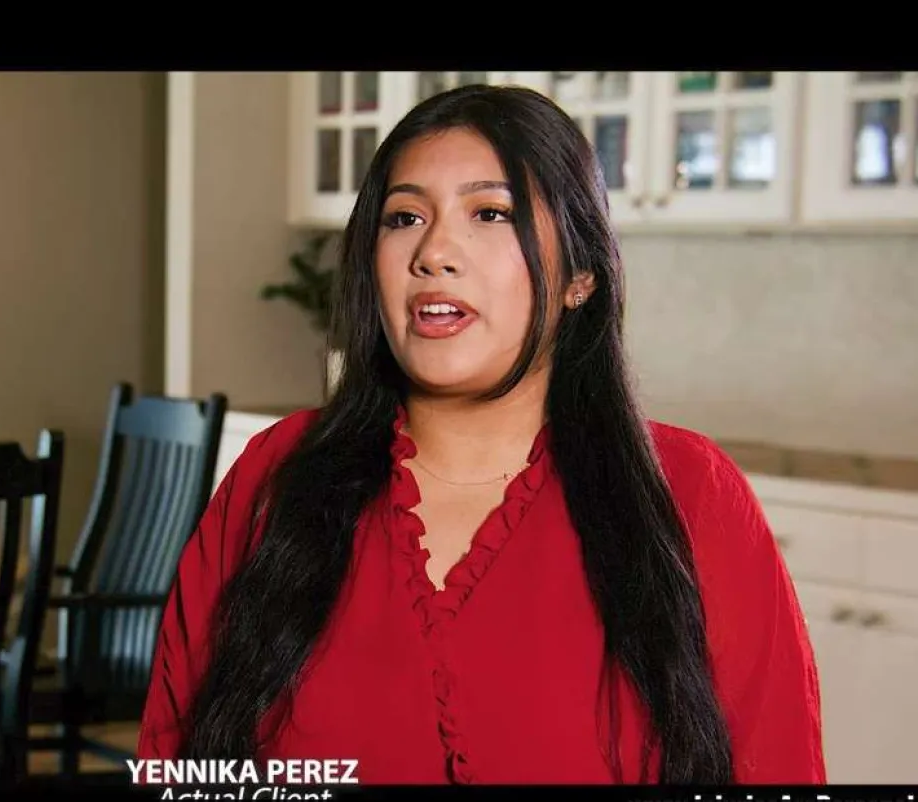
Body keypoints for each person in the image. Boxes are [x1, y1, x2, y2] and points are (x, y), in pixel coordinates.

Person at [134, 84, 824, 785]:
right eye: (403, 217)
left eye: (491, 213)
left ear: (580, 276)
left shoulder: (690, 491)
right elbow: (175, 757)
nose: (434, 252)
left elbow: (778, 762)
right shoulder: (276, 472)